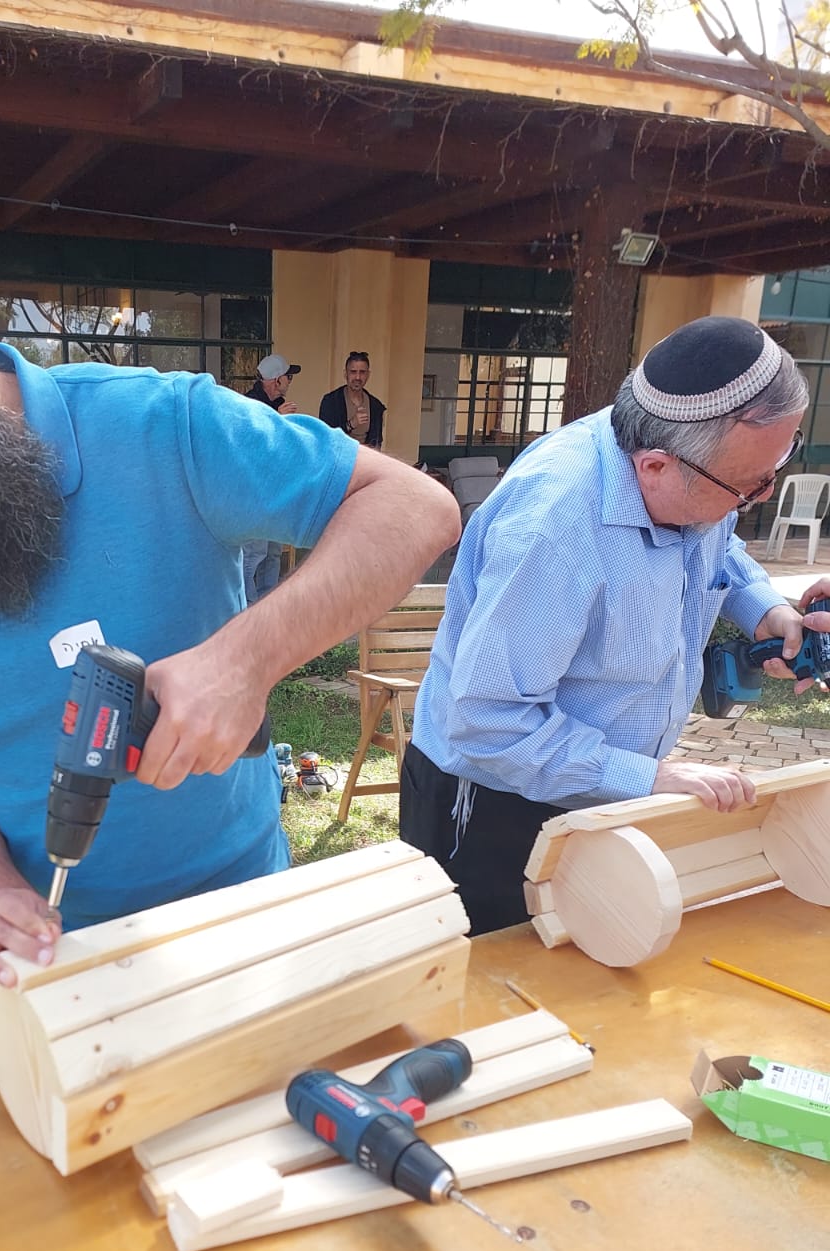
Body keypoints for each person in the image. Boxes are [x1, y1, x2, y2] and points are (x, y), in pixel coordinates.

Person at [0, 210, 460, 988]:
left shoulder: (165, 425)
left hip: (237, 921)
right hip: (46, 965)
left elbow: (412, 509)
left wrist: (246, 660)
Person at [399, 314, 827, 937]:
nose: (756, 498)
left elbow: (718, 543)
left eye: (774, 472)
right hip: (494, 806)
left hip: (597, 792)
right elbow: (486, 724)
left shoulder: (690, 458)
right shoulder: (555, 529)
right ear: (654, 466)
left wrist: (768, 609)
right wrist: (651, 777)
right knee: (495, 996)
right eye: (748, 488)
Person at [242, 353, 302, 602]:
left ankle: (267, 601)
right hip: (256, 493)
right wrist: (278, 420)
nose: (290, 381)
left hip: (277, 490)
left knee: (274, 551)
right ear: (277, 380)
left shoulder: (278, 404)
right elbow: (250, 446)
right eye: (288, 376)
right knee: (254, 553)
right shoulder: (248, 405)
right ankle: (247, 607)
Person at [320, 352, 386, 450]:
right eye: (353, 372)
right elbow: (325, 436)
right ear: (345, 374)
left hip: (366, 459)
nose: (358, 377)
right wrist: (351, 424)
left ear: (368, 375)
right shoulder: (331, 401)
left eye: (362, 372)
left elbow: (377, 442)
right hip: (338, 457)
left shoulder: (376, 406)